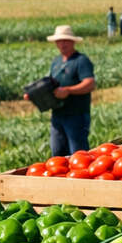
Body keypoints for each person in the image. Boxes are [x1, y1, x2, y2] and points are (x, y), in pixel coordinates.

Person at [43, 25, 95, 157]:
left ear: (72, 41)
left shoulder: (81, 60)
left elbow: (89, 84)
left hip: (76, 115)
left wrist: (68, 90)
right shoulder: (56, 62)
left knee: (78, 155)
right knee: (58, 153)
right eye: (59, 41)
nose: (61, 44)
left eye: (65, 40)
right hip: (57, 116)